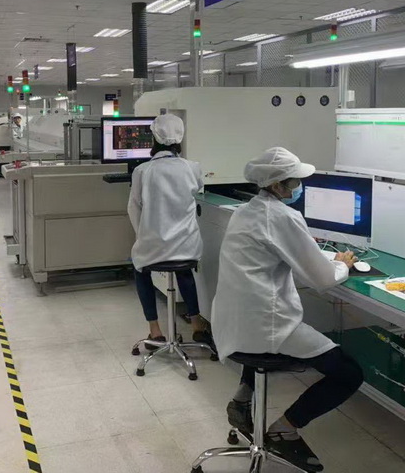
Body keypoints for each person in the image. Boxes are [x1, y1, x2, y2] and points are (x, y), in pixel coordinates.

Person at [211, 147, 362, 472]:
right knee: (349, 373)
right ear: (278, 185)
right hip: (266, 324)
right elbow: (323, 280)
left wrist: (309, 252)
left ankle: (242, 399)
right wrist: (342, 264)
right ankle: (284, 429)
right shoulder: (283, 216)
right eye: (294, 182)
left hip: (233, 321)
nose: (298, 188)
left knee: (260, 344)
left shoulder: (245, 211)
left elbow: (274, 252)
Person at [127, 114, 213, 348]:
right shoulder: (193, 168)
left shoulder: (142, 171)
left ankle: (155, 330)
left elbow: (133, 209)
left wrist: (143, 236)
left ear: (154, 138)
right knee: (184, 270)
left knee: (140, 268)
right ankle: (196, 325)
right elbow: (196, 192)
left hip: (153, 247)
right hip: (187, 247)